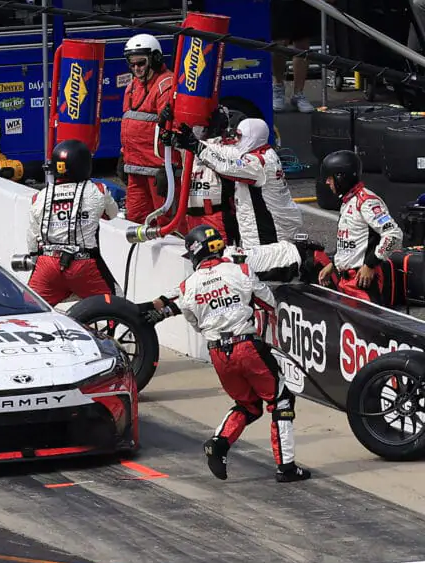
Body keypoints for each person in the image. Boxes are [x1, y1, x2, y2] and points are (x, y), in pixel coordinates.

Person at [146, 225, 308, 482]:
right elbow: (269, 303)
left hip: (218, 354)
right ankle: (286, 467)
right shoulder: (240, 269)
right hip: (246, 345)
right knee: (281, 400)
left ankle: (218, 444)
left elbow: (195, 322)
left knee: (248, 405)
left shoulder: (188, 286)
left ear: (195, 254)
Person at [172, 117, 303, 278]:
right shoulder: (259, 152)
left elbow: (227, 166)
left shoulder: (259, 163)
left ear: (252, 137)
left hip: (270, 232)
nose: (236, 139)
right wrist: (190, 142)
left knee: (266, 275)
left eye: (240, 136)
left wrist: (197, 146)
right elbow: (225, 153)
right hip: (266, 227)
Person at [22, 138, 119, 304]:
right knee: (116, 303)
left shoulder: (39, 197)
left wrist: (36, 262)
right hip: (84, 264)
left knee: (30, 308)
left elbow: (32, 240)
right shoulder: (98, 190)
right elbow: (112, 214)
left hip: (47, 263)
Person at [317, 150, 404, 305]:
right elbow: (351, 241)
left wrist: (371, 264)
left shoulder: (367, 202)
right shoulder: (348, 201)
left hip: (363, 280)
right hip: (345, 280)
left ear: (341, 177)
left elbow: (393, 234)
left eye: (330, 178)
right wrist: (333, 265)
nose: (327, 183)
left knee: (367, 328)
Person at [118, 33, 175, 222]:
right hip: (136, 169)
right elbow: (129, 124)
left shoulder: (165, 85)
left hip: (158, 170)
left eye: (141, 63)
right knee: (135, 220)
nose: (136, 69)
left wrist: (170, 168)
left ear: (155, 59)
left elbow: (171, 129)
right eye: (132, 64)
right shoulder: (132, 87)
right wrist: (123, 156)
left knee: (165, 222)